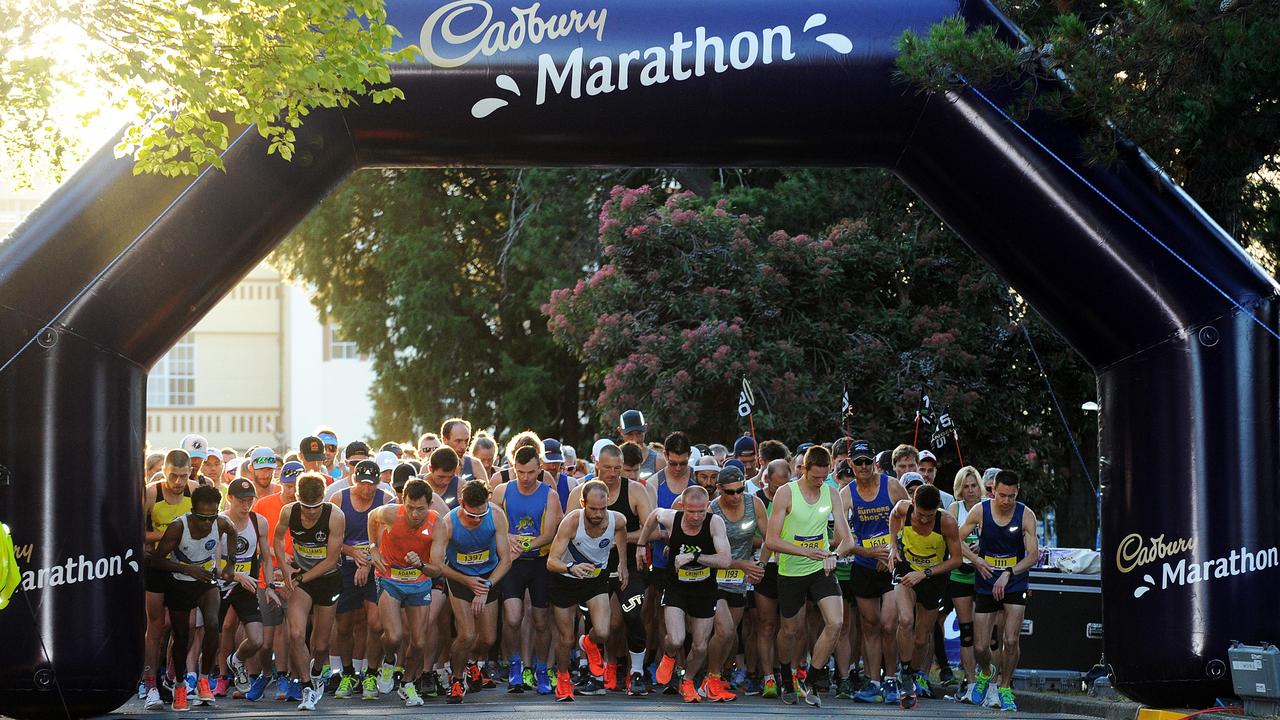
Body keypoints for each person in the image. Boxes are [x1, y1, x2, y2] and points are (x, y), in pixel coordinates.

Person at [764, 445, 855, 707]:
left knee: (836, 623)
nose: (819, 481)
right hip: (791, 569)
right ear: (803, 469)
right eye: (815, 477)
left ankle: (812, 678)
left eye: (824, 477)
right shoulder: (786, 493)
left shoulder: (832, 493)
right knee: (790, 630)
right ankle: (784, 674)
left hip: (821, 568)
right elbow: (771, 540)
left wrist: (833, 555)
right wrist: (804, 551)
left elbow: (847, 538)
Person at [565, 443, 653, 695]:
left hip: (628, 565)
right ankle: (598, 671)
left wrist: (620, 538)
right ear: (596, 465)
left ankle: (636, 672)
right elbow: (567, 531)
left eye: (617, 468)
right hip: (593, 565)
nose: (613, 473)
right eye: (607, 468)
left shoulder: (634, 490)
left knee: (632, 613)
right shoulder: (581, 492)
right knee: (598, 621)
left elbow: (653, 530)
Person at [639, 485, 733, 703]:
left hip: (704, 589)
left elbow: (725, 560)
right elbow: (654, 515)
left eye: (701, 511)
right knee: (676, 638)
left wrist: (695, 557)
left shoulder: (714, 523)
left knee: (700, 645)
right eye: (691, 511)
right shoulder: (672, 518)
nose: (696, 516)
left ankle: (688, 680)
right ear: (682, 507)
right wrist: (642, 545)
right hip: (677, 587)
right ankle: (670, 656)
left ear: (707, 507)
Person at [148, 484, 238, 711]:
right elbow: (156, 560)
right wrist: (187, 569)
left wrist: (230, 562)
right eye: (201, 517)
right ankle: (179, 685)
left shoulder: (221, 522)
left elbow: (233, 531)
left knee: (212, 624)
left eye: (211, 517)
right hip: (180, 581)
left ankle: (204, 679)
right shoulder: (179, 527)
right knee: (181, 636)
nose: (207, 522)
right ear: (192, 510)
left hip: (206, 579)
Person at [960, 470, 1038, 712]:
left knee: (1010, 639)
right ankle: (986, 672)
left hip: (1014, 580)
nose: (1006, 501)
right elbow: (956, 539)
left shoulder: (1026, 514)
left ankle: (1004, 687)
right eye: (1002, 495)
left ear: (1017, 493)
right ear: (993, 491)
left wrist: (1009, 573)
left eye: (1011, 496)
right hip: (985, 578)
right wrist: (976, 560)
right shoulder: (980, 511)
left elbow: (1033, 555)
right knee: (981, 647)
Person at [430, 479, 513, 704]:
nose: (476, 520)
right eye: (471, 516)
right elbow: (437, 564)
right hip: (459, 576)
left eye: (481, 516)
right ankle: (457, 679)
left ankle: (473, 664)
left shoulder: (496, 516)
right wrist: (467, 581)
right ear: (460, 504)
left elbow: (506, 560)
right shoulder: (448, 523)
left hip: (488, 577)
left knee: (487, 638)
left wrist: (485, 586)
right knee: (467, 634)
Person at [545, 480, 630, 701]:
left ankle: (589, 642)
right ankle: (563, 679)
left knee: (603, 632)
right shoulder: (572, 522)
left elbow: (621, 531)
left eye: (602, 508)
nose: (598, 514)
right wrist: (571, 567)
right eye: (592, 509)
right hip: (565, 579)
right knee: (566, 638)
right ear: (583, 503)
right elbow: (551, 561)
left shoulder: (616, 519)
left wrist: (622, 563)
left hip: (594, 580)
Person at [840, 439, 910, 704]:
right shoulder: (846, 494)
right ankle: (873, 682)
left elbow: (911, 521)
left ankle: (891, 679)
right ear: (851, 464)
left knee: (889, 624)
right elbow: (840, 537)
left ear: (874, 463)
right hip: (864, 565)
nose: (864, 466)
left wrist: (892, 549)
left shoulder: (892, 486)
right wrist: (869, 552)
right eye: (858, 462)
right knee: (869, 626)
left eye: (868, 461)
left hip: (892, 563)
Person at [492, 444, 562, 694]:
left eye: (531, 472)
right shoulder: (502, 491)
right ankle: (514, 666)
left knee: (541, 621)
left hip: (539, 563)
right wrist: (507, 537)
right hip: (511, 564)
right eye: (520, 472)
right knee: (512, 617)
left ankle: (542, 669)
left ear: (539, 469)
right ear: (513, 469)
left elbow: (550, 533)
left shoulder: (549, 494)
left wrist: (524, 544)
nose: (525, 478)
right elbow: (493, 523)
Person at [368, 478, 444, 707]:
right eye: (410, 507)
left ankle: (407, 682)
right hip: (389, 577)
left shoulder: (438, 523)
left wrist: (420, 564)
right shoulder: (391, 513)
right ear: (403, 502)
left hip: (419, 580)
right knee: (394, 636)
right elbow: (372, 517)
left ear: (429, 505)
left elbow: (437, 569)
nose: (414, 514)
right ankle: (389, 661)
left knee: (419, 642)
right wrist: (373, 549)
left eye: (420, 509)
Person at [274, 472, 345, 711]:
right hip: (301, 580)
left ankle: (316, 673)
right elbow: (276, 539)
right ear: (297, 498)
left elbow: (332, 560)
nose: (311, 512)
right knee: (295, 634)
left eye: (315, 507)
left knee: (321, 645)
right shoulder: (288, 511)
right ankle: (306, 687)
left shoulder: (335, 516)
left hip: (327, 579)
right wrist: (285, 570)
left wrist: (300, 575)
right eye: (306, 506)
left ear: (323, 499)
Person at [887, 484, 963, 702]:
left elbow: (956, 560)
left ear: (937, 509)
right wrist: (893, 544)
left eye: (929, 516)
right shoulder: (903, 509)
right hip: (906, 570)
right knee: (905, 620)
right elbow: (893, 517)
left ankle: (912, 671)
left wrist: (926, 573)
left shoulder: (946, 522)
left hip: (933, 577)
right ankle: (904, 674)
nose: (923, 520)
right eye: (920, 515)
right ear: (913, 505)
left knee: (921, 639)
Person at [329, 459, 393, 700]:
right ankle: (347, 673)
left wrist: (365, 561)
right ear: (354, 480)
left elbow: (386, 541)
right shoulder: (338, 499)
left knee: (376, 624)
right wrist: (351, 551)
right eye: (363, 483)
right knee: (344, 624)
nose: (368, 489)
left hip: (375, 566)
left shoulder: (386, 501)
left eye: (372, 485)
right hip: (345, 567)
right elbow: (330, 539)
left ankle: (371, 673)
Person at [141, 449, 199, 710]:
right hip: (156, 566)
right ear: (164, 471)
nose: (178, 482)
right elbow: (134, 530)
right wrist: (167, 536)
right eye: (173, 476)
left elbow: (207, 525)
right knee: (156, 626)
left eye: (183, 476)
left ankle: (175, 680)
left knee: (183, 627)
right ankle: (150, 683)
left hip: (185, 568)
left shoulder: (195, 490)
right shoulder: (152, 492)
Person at [706, 465, 767, 702]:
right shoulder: (711, 510)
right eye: (730, 492)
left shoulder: (754, 504)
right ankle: (709, 678)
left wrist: (759, 565)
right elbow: (708, 556)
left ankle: (718, 675)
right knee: (725, 630)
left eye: (740, 490)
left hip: (739, 579)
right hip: (714, 578)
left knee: (730, 637)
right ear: (719, 489)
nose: (736, 496)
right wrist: (742, 564)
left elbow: (769, 537)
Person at [218, 478, 280, 698]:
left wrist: (270, 585)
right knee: (208, 633)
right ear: (230, 499)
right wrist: (236, 575)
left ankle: (237, 659)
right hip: (220, 584)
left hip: (247, 586)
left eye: (250, 500)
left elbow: (266, 558)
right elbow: (213, 565)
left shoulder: (259, 522)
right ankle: (203, 681)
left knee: (257, 639)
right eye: (241, 501)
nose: (246, 506)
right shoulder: (219, 521)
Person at [948, 465, 984, 702]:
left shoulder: (987, 507)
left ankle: (986, 680)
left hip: (984, 575)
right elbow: (951, 541)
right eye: (966, 486)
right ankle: (970, 682)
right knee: (967, 631)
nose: (970, 491)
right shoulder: (954, 508)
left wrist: (981, 548)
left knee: (987, 632)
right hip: (960, 574)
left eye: (973, 485)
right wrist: (971, 556)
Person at [442, 418, 490, 484]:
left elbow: (488, 492)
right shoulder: (430, 466)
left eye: (466, 441)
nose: (463, 446)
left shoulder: (475, 465)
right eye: (458, 441)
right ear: (445, 440)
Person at [619, 409, 664, 475]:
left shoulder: (658, 461)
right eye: (630, 434)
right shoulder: (614, 461)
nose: (635, 439)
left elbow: (664, 485)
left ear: (645, 428)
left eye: (639, 433)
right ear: (621, 431)